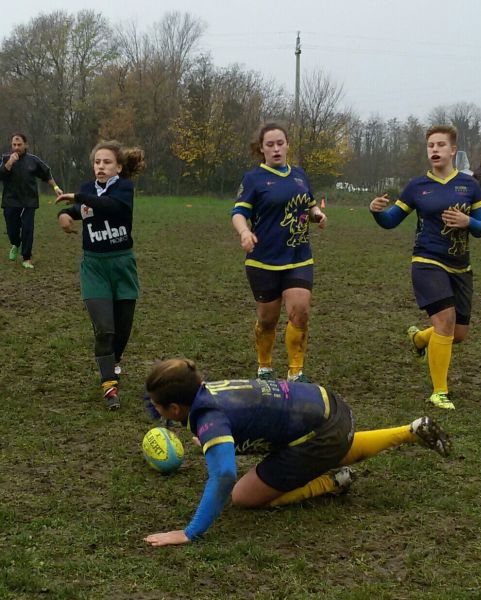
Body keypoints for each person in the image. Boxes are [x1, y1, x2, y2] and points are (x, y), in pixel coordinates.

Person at [142, 358, 451, 547]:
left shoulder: (210, 418)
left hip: (322, 434)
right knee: (329, 447)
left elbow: (223, 475)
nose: (153, 409)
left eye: (157, 405)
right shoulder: (207, 389)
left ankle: (332, 482)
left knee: (243, 496)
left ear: (174, 407)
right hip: (330, 407)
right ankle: (410, 431)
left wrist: (190, 532)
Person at [370, 125, 481, 410]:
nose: (434, 150)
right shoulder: (417, 187)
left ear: (452, 151)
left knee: (457, 334)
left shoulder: (470, 186)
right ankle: (439, 391)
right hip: (427, 261)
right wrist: (376, 212)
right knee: (445, 321)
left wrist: (467, 222)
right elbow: (390, 220)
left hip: (460, 267)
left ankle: (420, 338)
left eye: (439, 145)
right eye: (430, 146)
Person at [231, 122, 326, 382]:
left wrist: (317, 214)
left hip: (298, 256)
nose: (276, 149)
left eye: (280, 143)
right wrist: (244, 233)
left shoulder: (299, 175)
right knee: (267, 320)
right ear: (261, 149)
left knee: (300, 311)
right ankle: (264, 366)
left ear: (287, 145)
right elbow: (239, 212)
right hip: (264, 260)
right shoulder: (253, 179)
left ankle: (296, 372)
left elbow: (309, 204)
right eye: (270, 144)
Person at [56, 140, 145, 410]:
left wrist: (78, 199)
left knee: (122, 328)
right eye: (97, 162)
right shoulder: (85, 190)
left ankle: (111, 362)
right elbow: (82, 209)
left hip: (122, 266)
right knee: (104, 328)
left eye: (106, 162)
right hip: (94, 267)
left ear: (118, 167)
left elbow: (110, 207)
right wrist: (64, 214)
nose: (101, 167)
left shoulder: (124, 189)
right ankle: (109, 385)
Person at [0, 133, 62, 269]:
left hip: (29, 201)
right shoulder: (4, 159)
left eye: (19, 145)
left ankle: (26, 258)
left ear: (25, 145)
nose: (16, 148)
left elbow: (46, 173)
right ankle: (15, 244)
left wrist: (55, 187)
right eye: (14, 145)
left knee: (28, 229)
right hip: (10, 201)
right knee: (12, 230)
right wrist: (10, 162)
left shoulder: (33, 160)